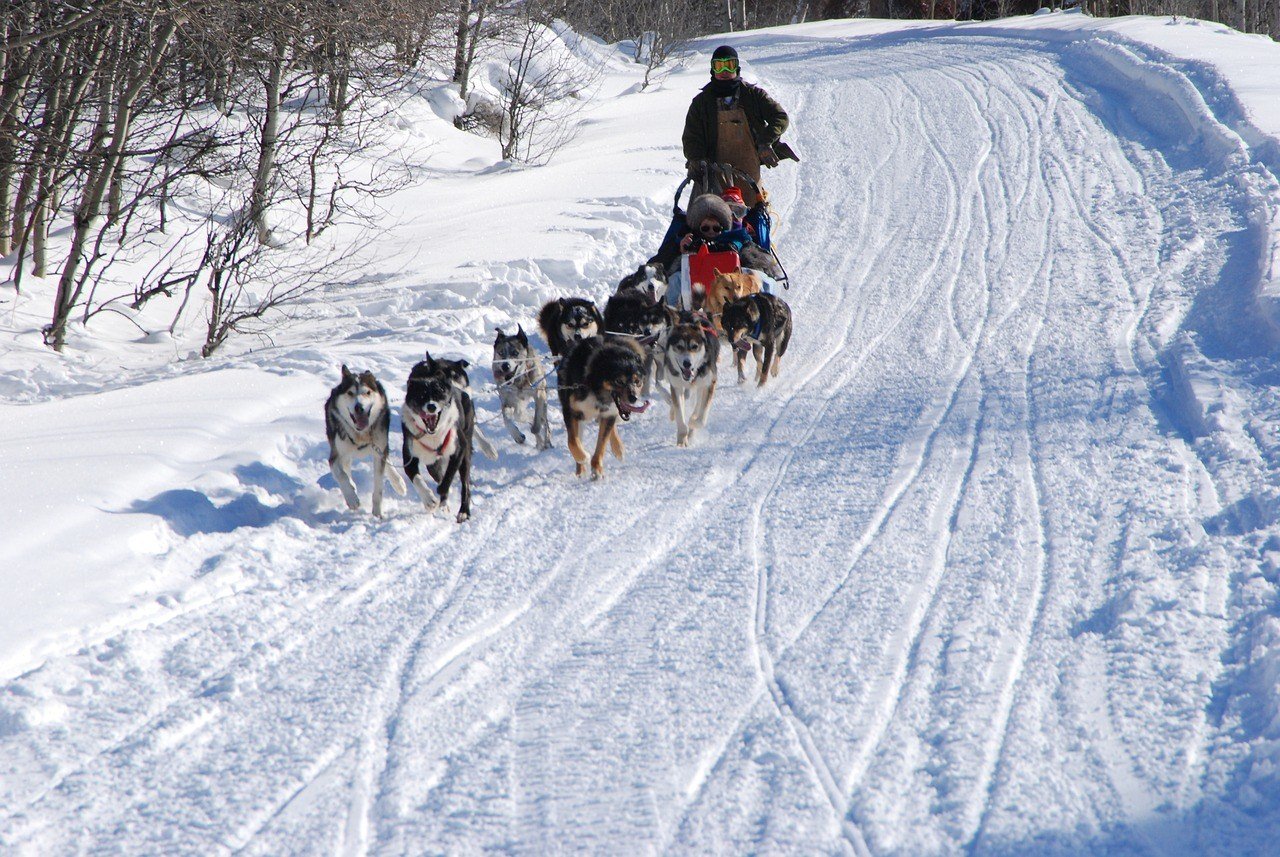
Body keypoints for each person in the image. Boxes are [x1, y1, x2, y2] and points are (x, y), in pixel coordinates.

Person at [682, 45, 791, 207]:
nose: (725, 70)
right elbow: (691, 137)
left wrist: (765, 141)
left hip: (749, 172)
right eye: (719, 66)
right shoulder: (701, 103)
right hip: (714, 173)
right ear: (713, 70)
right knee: (713, 219)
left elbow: (780, 117)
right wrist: (696, 159)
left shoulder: (754, 96)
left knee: (753, 216)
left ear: (737, 68)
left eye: (730, 65)